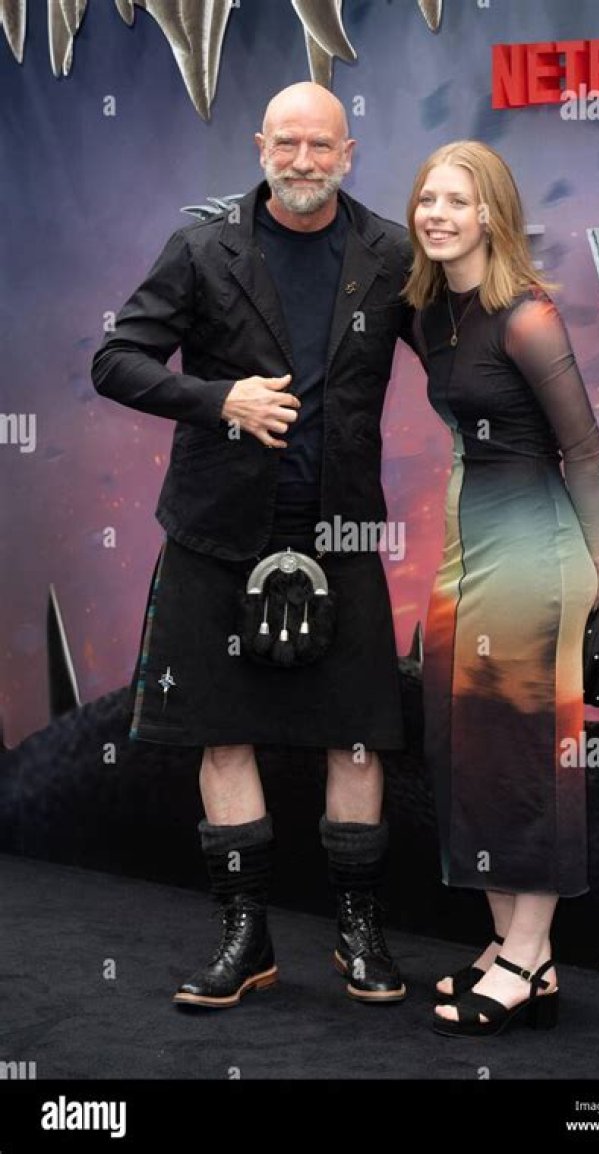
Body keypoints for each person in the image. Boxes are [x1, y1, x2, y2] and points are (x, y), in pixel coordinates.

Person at [91, 82, 417, 1008]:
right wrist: (217, 399)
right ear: (260, 147)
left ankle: (359, 932)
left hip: (341, 532)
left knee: (359, 738)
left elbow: (457, 362)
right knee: (222, 735)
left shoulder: (391, 253)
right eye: (287, 144)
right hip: (216, 531)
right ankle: (247, 938)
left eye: (321, 145)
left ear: (348, 154)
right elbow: (114, 360)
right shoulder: (202, 248)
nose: (303, 161)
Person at [404, 141, 599, 1036]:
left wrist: (595, 569)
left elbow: (588, 451)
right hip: (470, 554)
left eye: (458, 200)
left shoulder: (528, 317)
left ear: (491, 214)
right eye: (427, 199)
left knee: (525, 755)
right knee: (466, 748)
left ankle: (527, 958)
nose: (438, 214)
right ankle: (514, 951)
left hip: (537, 556)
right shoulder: (429, 312)